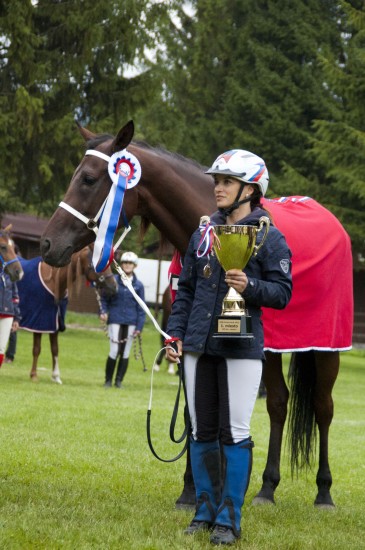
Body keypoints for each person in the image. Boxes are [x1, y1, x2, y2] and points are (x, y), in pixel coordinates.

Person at [166, 149, 292, 545]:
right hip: (197, 347)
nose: (217, 188)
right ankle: (204, 510)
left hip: (241, 347)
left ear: (251, 189)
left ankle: (229, 519)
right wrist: (175, 333)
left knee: (234, 432)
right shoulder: (202, 234)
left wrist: (249, 287)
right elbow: (185, 291)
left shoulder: (269, 236)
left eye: (226, 182)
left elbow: (283, 292)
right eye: (216, 181)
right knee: (201, 430)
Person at [99, 251, 146, 388]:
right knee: (114, 350)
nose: (127, 265)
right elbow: (103, 299)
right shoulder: (113, 280)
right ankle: (108, 381)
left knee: (125, 352)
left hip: (132, 321)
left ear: (134, 265)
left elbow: (141, 307)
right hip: (115, 319)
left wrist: (139, 327)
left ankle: (119, 381)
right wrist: (103, 311)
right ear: (121, 264)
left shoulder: (139, 285)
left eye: (130, 263)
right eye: (125, 262)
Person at [0, 272, 21, 368]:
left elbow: (14, 297)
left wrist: (16, 318)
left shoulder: (10, 275)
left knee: (1, 349)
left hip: (8, 314)